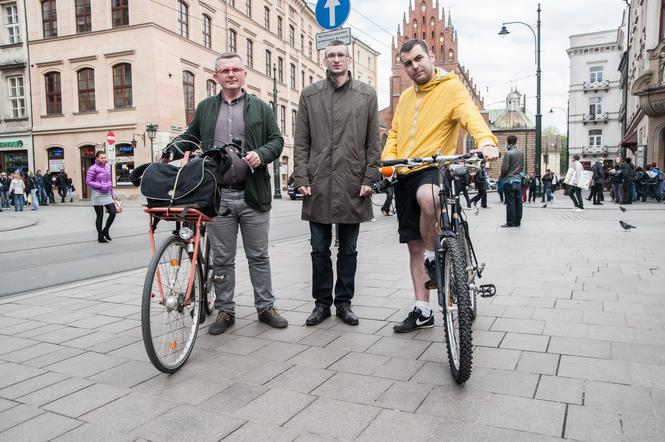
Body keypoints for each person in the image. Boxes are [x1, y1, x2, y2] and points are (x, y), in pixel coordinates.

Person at [164, 52, 287, 335]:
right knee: (222, 259)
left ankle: (266, 307)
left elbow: (277, 140)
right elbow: (190, 138)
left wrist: (262, 154)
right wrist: (171, 149)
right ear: (216, 77)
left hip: (253, 193)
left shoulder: (261, 108)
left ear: (244, 74)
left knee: (259, 255)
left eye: (236, 70)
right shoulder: (206, 107)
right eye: (225, 71)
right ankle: (225, 310)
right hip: (218, 196)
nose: (231, 74)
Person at [381, 39, 498, 333]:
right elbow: (394, 133)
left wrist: (485, 142)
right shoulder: (406, 97)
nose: (414, 66)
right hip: (404, 171)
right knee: (413, 248)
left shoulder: (452, 87)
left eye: (419, 59)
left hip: (435, 167)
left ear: (431, 56)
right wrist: (388, 161)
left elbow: (471, 116)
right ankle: (422, 310)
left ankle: (437, 257)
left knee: (429, 198)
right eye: (407, 63)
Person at [293, 40, 381, 327]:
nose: (336, 60)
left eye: (341, 55)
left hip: (352, 182)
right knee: (318, 249)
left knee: (348, 249)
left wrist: (370, 176)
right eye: (330, 55)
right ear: (324, 60)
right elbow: (301, 141)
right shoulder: (310, 94)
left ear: (349, 59)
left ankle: (344, 303)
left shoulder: (366, 94)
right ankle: (321, 304)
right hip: (317, 183)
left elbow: (373, 142)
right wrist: (302, 176)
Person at [86, 151, 117, 243]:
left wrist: (112, 193)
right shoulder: (93, 168)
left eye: (104, 157)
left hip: (107, 193)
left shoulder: (107, 167)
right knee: (100, 216)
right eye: (102, 158)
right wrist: (99, 185)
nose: (104, 159)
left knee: (113, 212)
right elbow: (88, 181)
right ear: (97, 158)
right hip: (97, 194)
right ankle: (100, 236)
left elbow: (109, 181)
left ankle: (106, 230)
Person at [499, 135, 524, 227]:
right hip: (518, 180)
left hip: (509, 180)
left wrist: (502, 176)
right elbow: (521, 167)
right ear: (516, 142)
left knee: (510, 202)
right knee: (518, 201)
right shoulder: (521, 153)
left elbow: (505, 168)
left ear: (508, 142)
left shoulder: (508, 153)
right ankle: (518, 221)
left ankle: (510, 222)